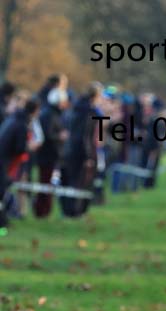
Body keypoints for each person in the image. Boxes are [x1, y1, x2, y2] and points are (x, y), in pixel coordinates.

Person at [60, 83, 100, 218]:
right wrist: (88, 156)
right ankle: (75, 212)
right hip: (81, 152)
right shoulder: (88, 112)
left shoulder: (75, 109)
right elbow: (85, 136)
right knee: (80, 182)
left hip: (70, 149)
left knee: (71, 181)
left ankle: (69, 211)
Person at [0, 97, 39, 235]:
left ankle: (3, 223)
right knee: (2, 195)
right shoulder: (22, 124)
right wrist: (30, 147)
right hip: (4, 162)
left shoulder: (13, 119)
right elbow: (19, 148)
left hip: (4, 161)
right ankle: (2, 225)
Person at [34, 84, 70, 218]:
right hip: (47, 156)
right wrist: (60, 136)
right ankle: (42, 211)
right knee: (45, 184)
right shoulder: (49, 114)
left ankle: (45, 211)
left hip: (52, 155)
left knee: (48, 184)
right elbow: (48, 135)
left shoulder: (52, 113)